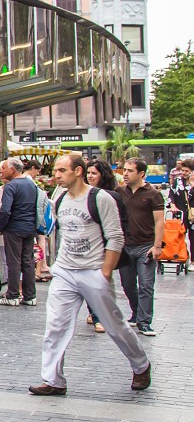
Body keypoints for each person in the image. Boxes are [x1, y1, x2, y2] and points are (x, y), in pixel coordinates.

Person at [29, 152, 151, 396]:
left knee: (114, 324)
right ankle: (53, 380)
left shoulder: (101, 198)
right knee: (55, 325)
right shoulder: (60, 198)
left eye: (61, 171)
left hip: (93, 270)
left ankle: (141, 365)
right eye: (55, 171)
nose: (56, 176)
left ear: (78, 171)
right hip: (65, 271)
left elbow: (116, 236)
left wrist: (105, 272)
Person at [119, 157, 165, 337]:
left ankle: (144, 322)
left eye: (130, 171)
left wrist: (157, 245)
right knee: (128, 284)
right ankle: (136, 313)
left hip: (146, 246)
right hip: (126, 246)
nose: (125, 173)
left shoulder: (153, 193)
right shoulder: (120, 191)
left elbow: (160, 221)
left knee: (146, 285)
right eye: (124, 170)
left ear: (141, 174)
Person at [82, 160, 127, 334]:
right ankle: (95, 314)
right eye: (88, 173)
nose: (90, 176)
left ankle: (101, 316)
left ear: (103, 175)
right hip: (87, 246)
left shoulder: (110, 196)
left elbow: (120, 225)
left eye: (94, 173)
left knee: (103, 282)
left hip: (104, 245)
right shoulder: (82, 194)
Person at [0, 158, 38, 306]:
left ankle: (13, 294)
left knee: (13, 261)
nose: (2, 171)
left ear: (12, 170)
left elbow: (5, 210)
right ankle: (30, 295)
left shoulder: (10, 186)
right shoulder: (31, 184)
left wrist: (1, 227)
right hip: (29, 227)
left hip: (14, 228)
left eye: (4, 168)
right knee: (28, 261)